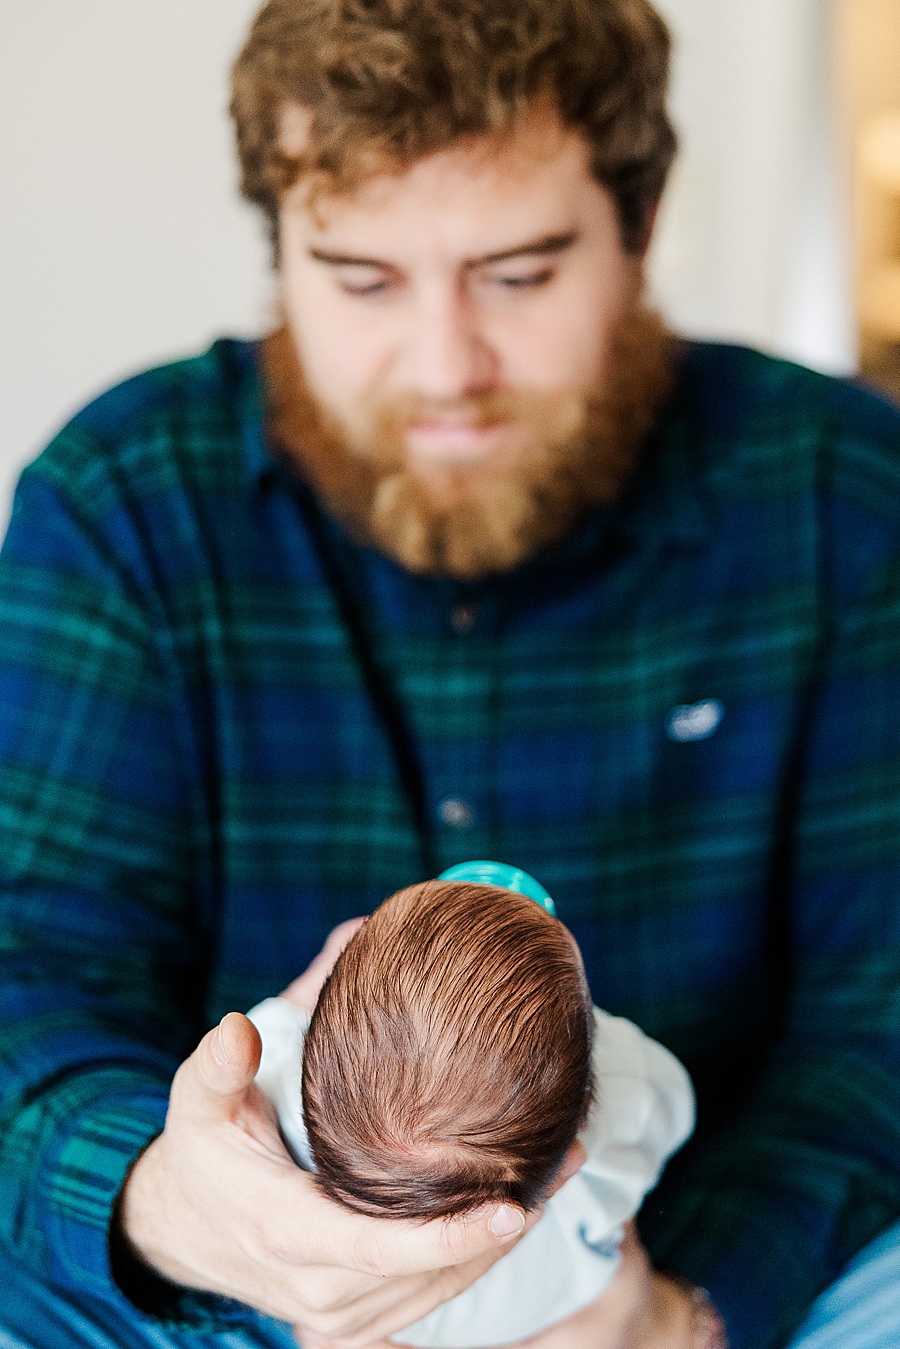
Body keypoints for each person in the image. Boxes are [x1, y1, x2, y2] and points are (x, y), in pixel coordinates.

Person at [0, 0, 899, 1346]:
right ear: (282, 255)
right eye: (361, 280)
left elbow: (876, 1017)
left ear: (638, 232)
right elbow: (33, 972)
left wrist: (681, 1313)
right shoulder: (124, 502)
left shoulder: (841, 495)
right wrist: (175, 1208)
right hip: (215, 1306)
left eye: (521, 275)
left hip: (703, 1257)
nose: (443, 370)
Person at [247, 876, 696, 1348]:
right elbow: (674, 1107)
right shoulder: (631, 1088)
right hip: (563, 1307)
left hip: (382, 1320)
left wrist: (304, 993)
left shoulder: (274, 1079)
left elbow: (278, 1024)